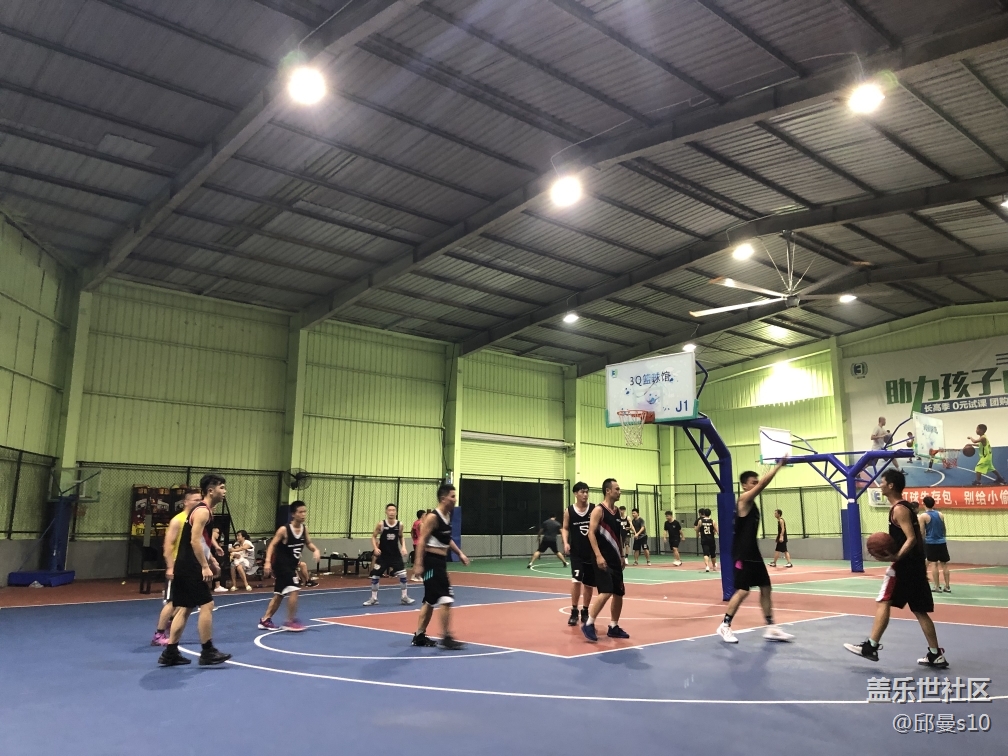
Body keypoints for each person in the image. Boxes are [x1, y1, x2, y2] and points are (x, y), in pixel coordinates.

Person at [844, 469, 948, 668]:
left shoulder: (899, 509)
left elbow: (911, 538)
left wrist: (896, 557)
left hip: (904, 567)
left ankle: (871, 646)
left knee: (884, 600)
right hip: (915, 565)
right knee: (920, 610)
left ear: (891, 485)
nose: (880, 485)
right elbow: (917, 539)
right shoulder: (905, 507)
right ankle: (936, 654)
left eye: (882, 482)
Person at [716, 460, 794, 644]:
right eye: (753, 482)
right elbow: (763, 484)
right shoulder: (743, 500)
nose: (756, 484)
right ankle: (725, 625)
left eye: (757, 482)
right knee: (743, 591)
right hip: (742, 553)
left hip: (753, 553)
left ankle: (771, 627)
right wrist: (778, 466)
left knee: (766, 587)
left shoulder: (753, 505)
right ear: (744, 485)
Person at [158, 474, 231, 666]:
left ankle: (170, 653)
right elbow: (194, 540)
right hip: (191, 566)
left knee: (184, 608)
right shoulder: (202, 511)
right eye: (222, 487)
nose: (224, 491)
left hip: (185, 565)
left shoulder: (204, 511)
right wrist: (205, 566)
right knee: (207, 605)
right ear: (211, 491)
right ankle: (207, 651)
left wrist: (211, 560)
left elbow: (203, 542)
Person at [412, 483, 470, 650]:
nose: (455, 499)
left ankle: (419, 635)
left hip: (439, 563)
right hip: (431, 563)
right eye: (452, 496)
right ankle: (446, 637)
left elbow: (447, 539)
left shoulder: (447, 516)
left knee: (430, 599)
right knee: (446, 597)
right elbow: (422, 541)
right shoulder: (433, 517)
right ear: (443, 498)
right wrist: (418, 564)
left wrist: (460, 553)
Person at [258, 500, 321, 632]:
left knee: (279, 594)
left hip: (291, 566)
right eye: (300, 512)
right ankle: (290, 621)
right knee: (294, 588)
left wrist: (315, 550)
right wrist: (267, 562)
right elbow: (272, 545)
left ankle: (265, 620)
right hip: (281, 566)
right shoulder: (284, 530)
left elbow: (308, 543)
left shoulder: (304, 529)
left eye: (305, 512)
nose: (303, 514)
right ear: (293, 514)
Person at [151, 487, 202, 646]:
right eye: (195, 500)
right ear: (186, 502)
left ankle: (170, 624)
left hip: (188, 567)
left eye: (200, 500)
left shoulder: (195, 519)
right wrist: (170, 567)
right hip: (176, 565)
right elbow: (168, 545)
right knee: (172, 601)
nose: (199, 503)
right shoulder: (177, 520)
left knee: (185, 602)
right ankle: (158, 634)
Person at [581, 478, 630, 642]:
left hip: (616, 559)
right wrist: (598, 555)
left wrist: (622, 555)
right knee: (606, 591)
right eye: (617, 489)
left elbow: (618, 536)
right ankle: (589, 623)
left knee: (619, 593)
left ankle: (613, 626)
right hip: (602, 559)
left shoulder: (617, 512)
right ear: (608, 491)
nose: (619, 492)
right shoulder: (598, 510)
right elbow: (591, 533)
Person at [364, 504, 415, 606]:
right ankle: (374, 598)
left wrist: (404, 547)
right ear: (386, 512)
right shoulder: (381, 524)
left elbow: (401, 536)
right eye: (389, 510)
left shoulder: (399, 525)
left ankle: (404, 597)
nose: (391, 512)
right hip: (383, 556)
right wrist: (375, 548)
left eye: (393, 510)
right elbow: (373, 536)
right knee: (375, 576)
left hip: (395, 555)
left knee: (403, 575)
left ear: (396, 512)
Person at [561, 481, 595, 626]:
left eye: (587, 492)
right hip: (576, 552)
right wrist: (565, 542)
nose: (585, 494)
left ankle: (585, 611)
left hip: (591, 552)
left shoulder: (594, 509)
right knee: (576, 580)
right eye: (582, 492)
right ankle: (574, 610)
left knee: (588, 584)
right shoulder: (569, 511)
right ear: (575, 493)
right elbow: (565, 528)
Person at [918, 496, 951, 593]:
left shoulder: (923, 516)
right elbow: (944, 529)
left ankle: (937, 586)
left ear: (924, 504)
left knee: (934, 564)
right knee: (944, 565)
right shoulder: (940, 514)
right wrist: (942, 538)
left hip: (931, 542)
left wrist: (921, 542)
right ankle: (947, 586)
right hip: (941, 542)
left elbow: (922, 532)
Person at [698, 508, 718, 572]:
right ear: (710, 514)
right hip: (711, 539)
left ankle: (707, 566)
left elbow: (697, 529)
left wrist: (699, 532)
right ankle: (714, 566)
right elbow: (717, 530)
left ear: (704, 514)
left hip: (704, 539)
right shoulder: (713, 521)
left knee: (706, 554)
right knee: (713, 554)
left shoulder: (700, 521)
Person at [409, 509, 425, 582]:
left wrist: (414, 539)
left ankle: (415, 575)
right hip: (420, 544)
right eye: (425, 515)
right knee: (420, 560)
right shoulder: (421, 524)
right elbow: (423, 534)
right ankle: (416, 575)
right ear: (422, 515)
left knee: (417, 559)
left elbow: (411, 532)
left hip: (415, 543)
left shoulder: (415, 523)